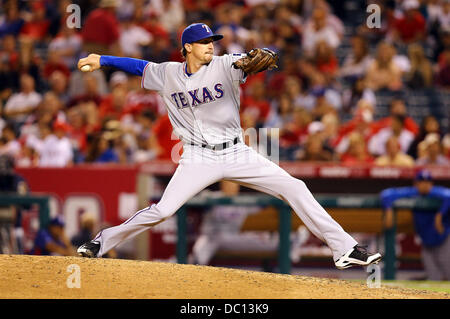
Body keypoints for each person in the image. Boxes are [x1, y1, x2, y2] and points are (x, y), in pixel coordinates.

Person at [76, 23, 381, 269]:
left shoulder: (225, 65)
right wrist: (101, 60)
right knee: (163, 211)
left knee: (295, 187)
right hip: (197, 157)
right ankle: (102, 242)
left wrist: (262, 56)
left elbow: (253, 59)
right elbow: (138, 65)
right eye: (204, 41)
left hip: (237, 152)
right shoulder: (167, 73)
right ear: (188, 48)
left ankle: (344, 249)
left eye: (213, 40)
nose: (211, 45)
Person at [380, 170, 450, 281]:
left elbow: (449, 195)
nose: (425, 184)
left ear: (432, 184)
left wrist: (440, 215)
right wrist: (388, 210)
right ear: (416, 184)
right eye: (421, 182)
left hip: (444, 239)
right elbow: (386, 194)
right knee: (434, 279)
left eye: (428, 182)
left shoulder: (437, 193)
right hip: (426, 242)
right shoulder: (413, 193)